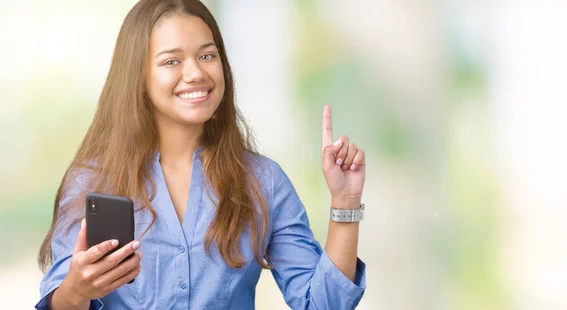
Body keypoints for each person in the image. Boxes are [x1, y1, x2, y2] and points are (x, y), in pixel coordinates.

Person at [36, 0, 366, 309]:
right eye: (171, 61)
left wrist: (345, 202)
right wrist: (76, 291)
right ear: (138, 76)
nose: (196, 73)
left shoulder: (263, 182)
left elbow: (323, 304)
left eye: (207, 56)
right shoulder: (92, 182)